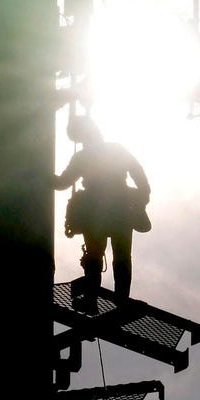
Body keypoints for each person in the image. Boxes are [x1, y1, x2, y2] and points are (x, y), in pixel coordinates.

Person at [53, 117, 150, 302]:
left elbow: (62, 183)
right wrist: (143, 196)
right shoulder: (115, 150)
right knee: (120, 255)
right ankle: (121, 299)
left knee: (95, 254)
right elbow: (138, 173)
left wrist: (40, 175)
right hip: (120, 207)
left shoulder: (83, 157)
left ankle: (91, 299)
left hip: (95, 209)